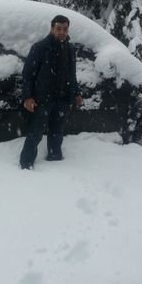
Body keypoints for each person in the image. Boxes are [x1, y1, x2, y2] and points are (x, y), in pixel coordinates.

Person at [19, 15, 83, 170]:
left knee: (57, 131)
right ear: (52, 28)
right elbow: (27, 74)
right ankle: (26, 163)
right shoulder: (40, 48)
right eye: (58, 28)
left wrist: (76, 93)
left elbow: (71, 74)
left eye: (65, 29)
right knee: (36, 132)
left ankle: (55, 157)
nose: (62, 32)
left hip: (61, 99)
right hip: (42, 99)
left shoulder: (70, 49)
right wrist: (28, 97)